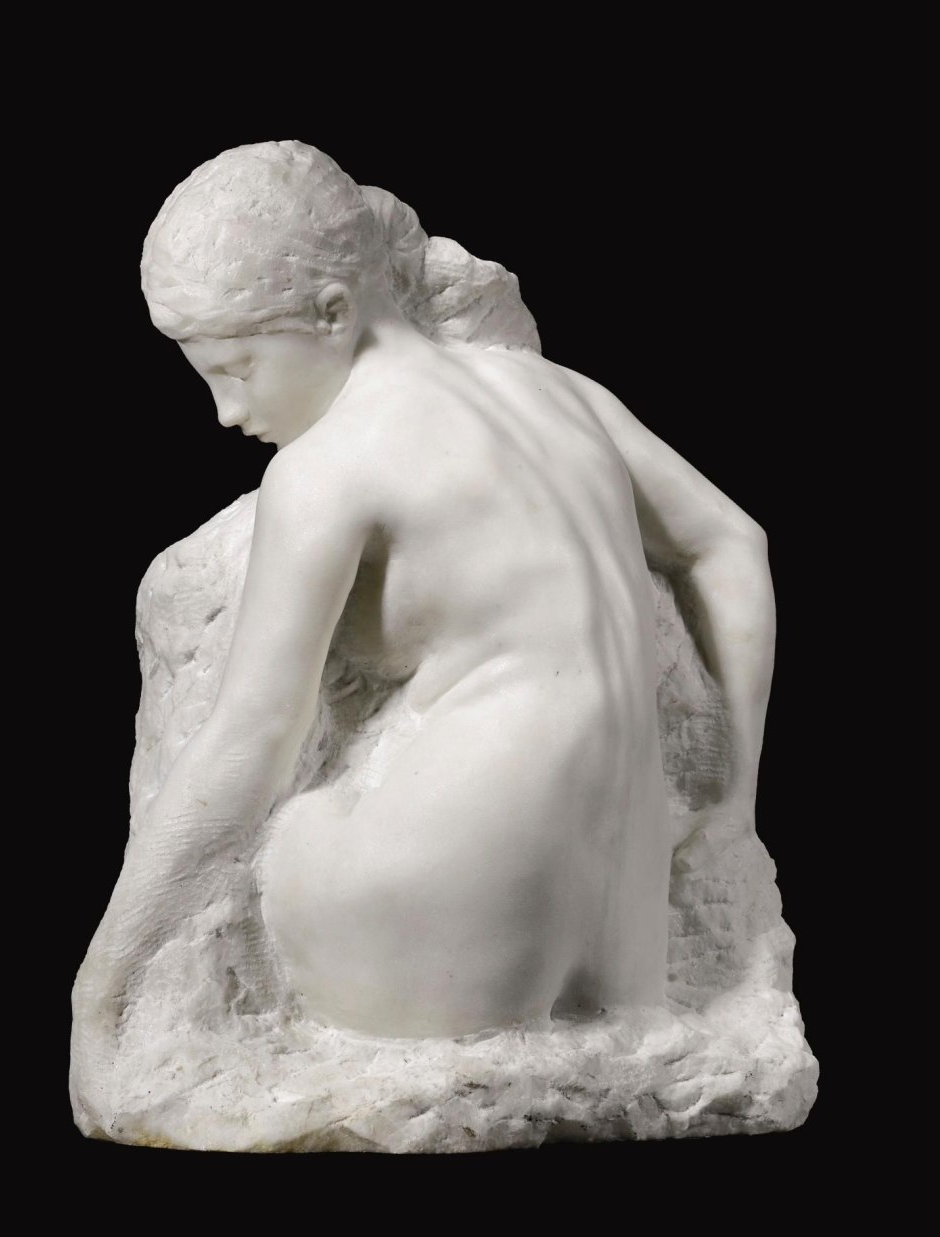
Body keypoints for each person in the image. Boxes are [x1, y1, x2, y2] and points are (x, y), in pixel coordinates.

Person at [72, 141, 774, 1091]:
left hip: (434, 917)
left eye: (237, 368)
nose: (225, 411)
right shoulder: (557, 392)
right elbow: (732, 542)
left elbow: (251, 742)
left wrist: (103, 982)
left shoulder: (325, 470)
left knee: (272, 806)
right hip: (624, 934)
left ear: (334, 310)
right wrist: (735, 796)